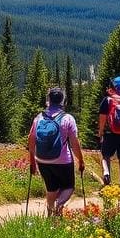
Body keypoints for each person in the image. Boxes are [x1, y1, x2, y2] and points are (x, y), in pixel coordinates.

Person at [28, 86, 85, 217]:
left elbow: (31, 140)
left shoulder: (39, 118)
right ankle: (58, 208)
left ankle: (50, 210)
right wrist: (81, 160)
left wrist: (32, 161)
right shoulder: (68, 118)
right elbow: (74, 143)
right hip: (63, 160)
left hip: (41, 159)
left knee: (51, 187)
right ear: (63, 101)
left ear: (48, 100)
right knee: (69, 187)